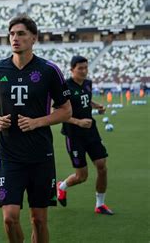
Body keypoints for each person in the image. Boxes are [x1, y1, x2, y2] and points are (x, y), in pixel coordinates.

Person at [0, 14, 72, 243]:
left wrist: (37, 122)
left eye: (21, 33)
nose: (15, 38)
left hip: (40, 155)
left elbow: (66, 110)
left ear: (34, 38)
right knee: (9, 218)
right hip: (8, 154)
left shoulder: (48, 70)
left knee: (38, 220)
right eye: (12, 34)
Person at [57, 55, 113, 215]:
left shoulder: (88, 83)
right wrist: (77, 122)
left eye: (85, 68)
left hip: (91, 132)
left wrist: (97, 106)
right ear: (72, 70)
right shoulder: (65, 87)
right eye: (80, 68)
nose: (83, 71)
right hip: (73, 135)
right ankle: (61, 186)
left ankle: (100, 204)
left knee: (102, 166)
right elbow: (57, 112)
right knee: (82, 176)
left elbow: (85, 100)